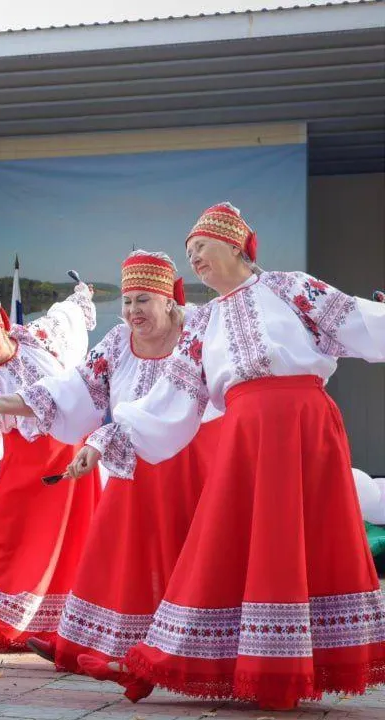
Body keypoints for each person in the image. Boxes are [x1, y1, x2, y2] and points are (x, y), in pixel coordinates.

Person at [73, 203, 385, 709]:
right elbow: (171, 398)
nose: (193, 258)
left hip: (306, 424)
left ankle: (289, 670)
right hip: (245, 434)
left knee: (300, 538)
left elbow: (355, 319)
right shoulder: (202, 325)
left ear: (236, 245)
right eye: (189, 252)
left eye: (201, 247)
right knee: (227, 542)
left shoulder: (289, 287)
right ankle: (189, 659)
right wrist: (104, 439)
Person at [0, 252, 217, 682]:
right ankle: (84, 642)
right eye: (127, 301)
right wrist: (5, 402)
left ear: (169, 300)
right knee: (113, 549)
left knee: (182, 553)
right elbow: (76, 387)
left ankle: (182, 651)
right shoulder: (117, 342)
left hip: (188, 460)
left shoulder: (198, 335)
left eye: (143, 300)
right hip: (133, 462)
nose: (132, 311)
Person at [0, 281, 100, 653]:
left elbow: (68, 317)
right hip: (17, 459)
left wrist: (82, 297)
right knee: (3, 533)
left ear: (2, 324)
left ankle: (56, 625)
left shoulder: (39, 337)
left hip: (62, 452)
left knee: (56, 540)